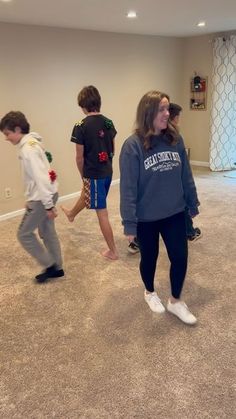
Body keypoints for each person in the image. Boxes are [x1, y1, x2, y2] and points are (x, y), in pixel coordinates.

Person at [119, 90, 200, 325]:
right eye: (162, 109)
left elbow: (186, 175)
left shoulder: (175, 140)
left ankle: (175, 301)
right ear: (148, 113)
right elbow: (128, 189)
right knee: (150, 258)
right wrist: (129, 223)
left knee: (180, 257)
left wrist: (192, 202)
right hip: (147, 217)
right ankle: (149, 292)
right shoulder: (132, 146)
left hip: (174, 212)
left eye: (168, 109)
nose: (168, 113)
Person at [0, 111, 64, 283]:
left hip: (42, 198)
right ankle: (57, 267)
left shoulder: (28, 149)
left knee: (23, 234)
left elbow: (41, 178)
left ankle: (50, 265)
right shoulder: (33, 142)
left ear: (18, 129)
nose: (6, 138)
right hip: (45, 195)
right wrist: (34, 198)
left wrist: (48, 206)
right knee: (47, 231)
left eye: (7, 134)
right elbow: (40, 176)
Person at [61, 85, 118, 260]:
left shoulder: (81, 126)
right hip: (107, 171)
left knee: (102, 212)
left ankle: (113, 252)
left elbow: (79, 157)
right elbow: (113, 149)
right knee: (87, 194)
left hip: (94, 174)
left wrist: (83, 176)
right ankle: (71, 214)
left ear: (83, 105)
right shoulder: (109, 122)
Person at [169, 102, 202, 241]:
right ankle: (189, 231)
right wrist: (193, 202)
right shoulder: (176, 137)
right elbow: (185, 172)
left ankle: (138, 240)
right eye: (179, 117)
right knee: (182, 204)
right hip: (175, 181)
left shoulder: (149, 137)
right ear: (175, 118)